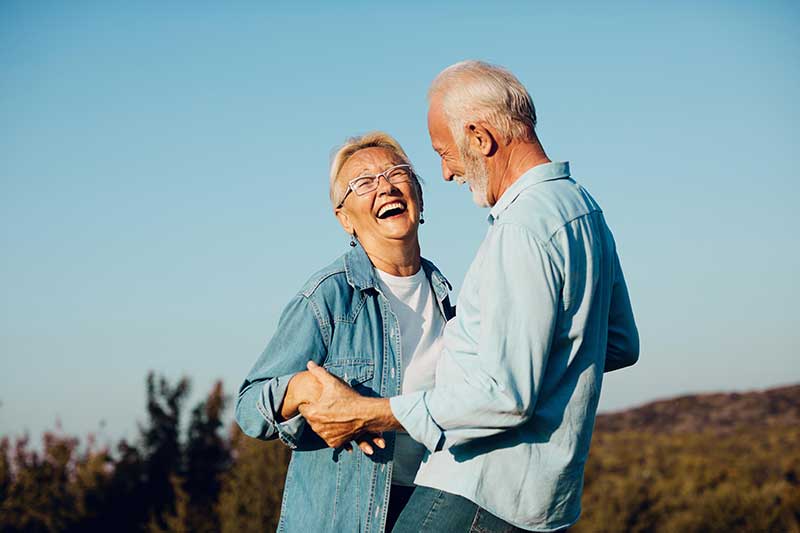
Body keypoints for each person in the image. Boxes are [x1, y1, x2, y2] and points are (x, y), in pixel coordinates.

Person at [299, 60, 640, 532]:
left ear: (481, 138)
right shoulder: (583, 209)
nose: (446, 172)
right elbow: (620, 342)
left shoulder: (521, 229)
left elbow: (505, 396)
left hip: (477, 492)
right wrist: (542, 366)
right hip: (545, 503)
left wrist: (370, 413)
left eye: (445, 152)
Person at [234, 132, 455, 532]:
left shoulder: (449, 300)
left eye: (396, 173)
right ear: (345, 218)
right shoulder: (328, 296)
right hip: (347, 519)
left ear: (419, 196)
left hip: (429, 506)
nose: (385, 186)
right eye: (363, 182)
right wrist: (301, 389)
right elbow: (249, 407)